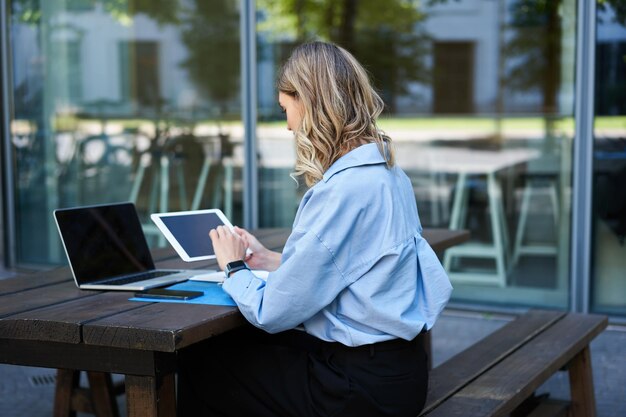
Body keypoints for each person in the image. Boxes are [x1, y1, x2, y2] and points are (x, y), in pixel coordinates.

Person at [177, 41, 452, 417]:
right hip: (399, 375)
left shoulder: (343, 190)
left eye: (286, 109)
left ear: (308, 103)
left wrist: (234, 267)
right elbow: (351, 267)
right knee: (242, 353)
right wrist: (272, 259)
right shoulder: (388, 174)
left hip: (358, 391)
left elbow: (272, 312)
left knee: (203, 364)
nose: (288, 125)